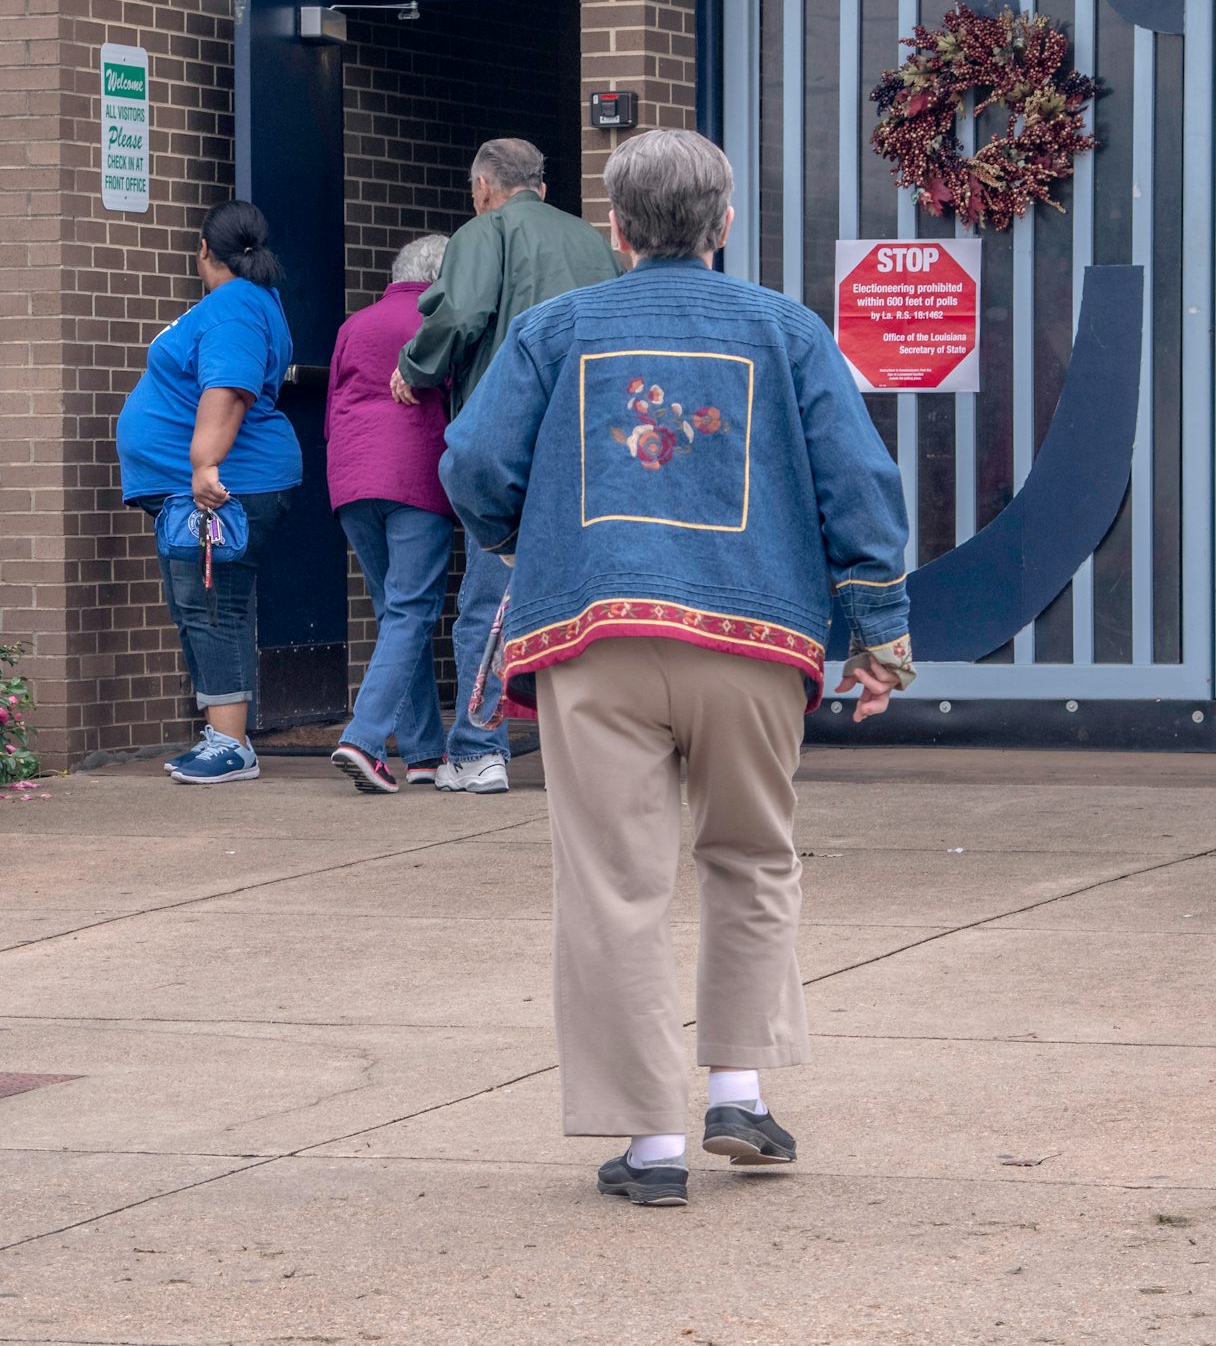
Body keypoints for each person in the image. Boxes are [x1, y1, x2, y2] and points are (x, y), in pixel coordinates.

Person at [439, 129, 915, 1208]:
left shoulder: (555, 329)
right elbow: (859, 485)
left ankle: (652, 1148)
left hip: (594, 634)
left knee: (614, 885)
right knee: (751, 855)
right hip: (755, 636)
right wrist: (878, 632)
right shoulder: (787, 331)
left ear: (616, 227)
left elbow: (472, 462)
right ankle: (739, 1089)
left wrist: (529, 533)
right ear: (725, 224)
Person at [392, 137, 621, 795]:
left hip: (512, 443)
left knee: (491, 599)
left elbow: (459, 314)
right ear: (542, 189)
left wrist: (415, 367)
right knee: (586, 602)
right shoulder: (591, 243)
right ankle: (588, 752)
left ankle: (478, 746)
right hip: (593, 445)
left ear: (483, 188)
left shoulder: (482, 232)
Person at [116, 200, 302, 785]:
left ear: (204, 250)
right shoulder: (245, 303)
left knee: (210, 605)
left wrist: (204, 464)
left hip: (222, 485)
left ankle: (228, 742)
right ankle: (228, 737)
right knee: (212, 602)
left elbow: (229, 389)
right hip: (216, 485)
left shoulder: (234, 307)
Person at [323, 235, 454, 794]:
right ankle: (365, 738)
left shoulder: (355, 324)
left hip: (351, 478)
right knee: (411, 612)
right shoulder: (441, 321)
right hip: (413, 476)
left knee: (398, 613)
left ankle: (423, 752)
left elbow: (333, 403)